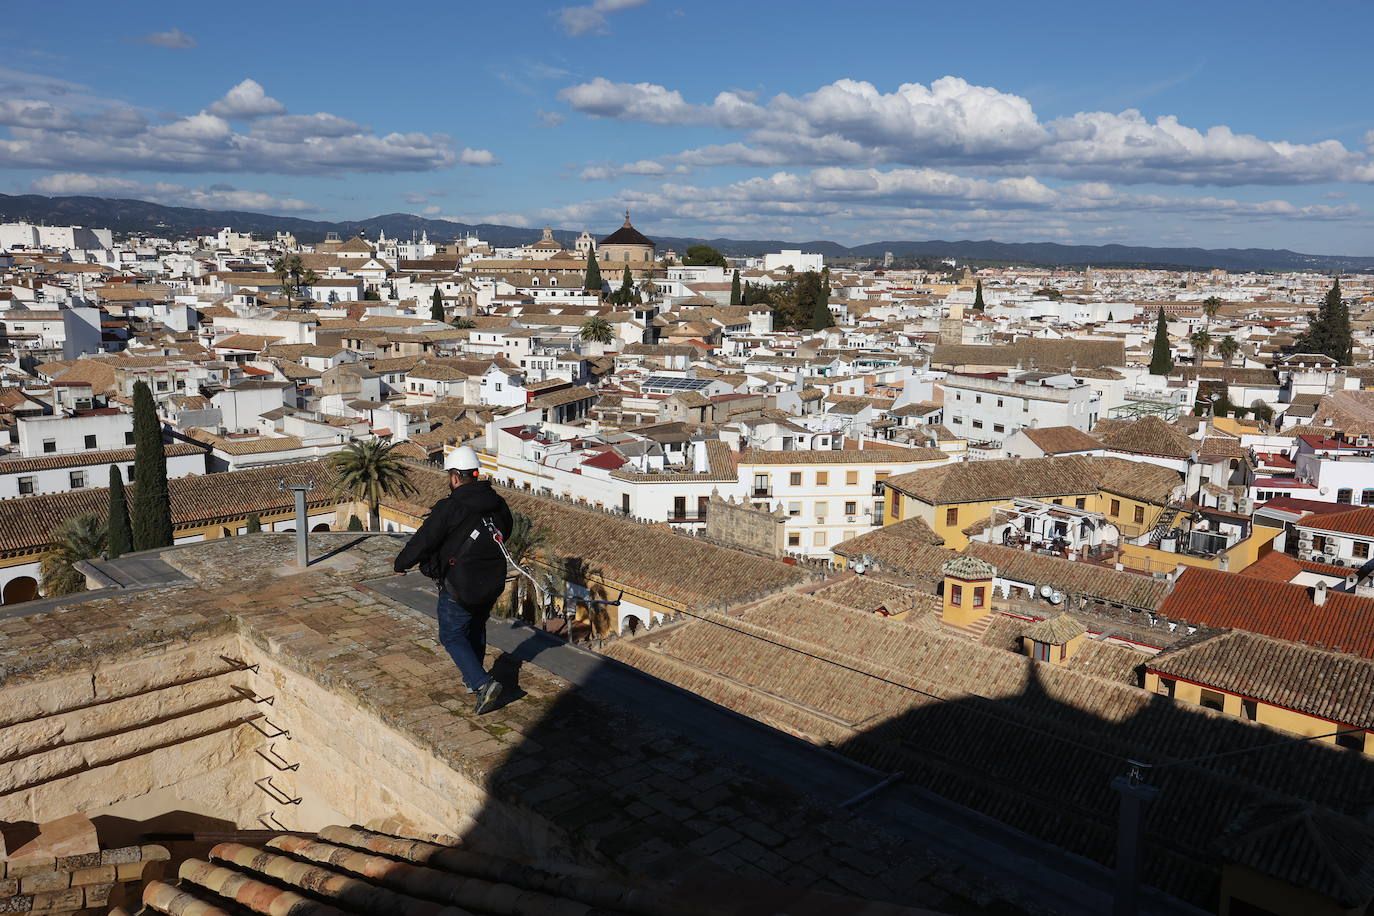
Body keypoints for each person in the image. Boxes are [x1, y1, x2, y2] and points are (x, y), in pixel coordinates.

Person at [394, 446, 513, 714]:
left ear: (456, 477)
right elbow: (506, 532)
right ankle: (473, 676)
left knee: (451, 634)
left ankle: (482, 683)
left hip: (458, 584)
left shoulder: (451, 507)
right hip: (491, 580)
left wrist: (401, 564)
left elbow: (424, 539)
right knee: (476, 626)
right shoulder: (497, 502)